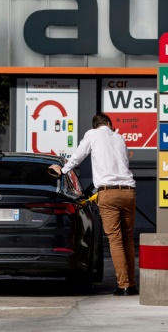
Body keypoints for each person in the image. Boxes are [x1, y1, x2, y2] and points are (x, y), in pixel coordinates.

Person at [49, 113, 138, 296]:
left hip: (108, 192)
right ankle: (132, 283)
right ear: (110, 124)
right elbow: (124, 163)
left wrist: (62, 170)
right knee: (128, 238)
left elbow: (78, 156)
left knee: (115, 239)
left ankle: (124, 285)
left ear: (96, 125)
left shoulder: (93, 134)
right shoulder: (120, 138)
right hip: (128, 191)